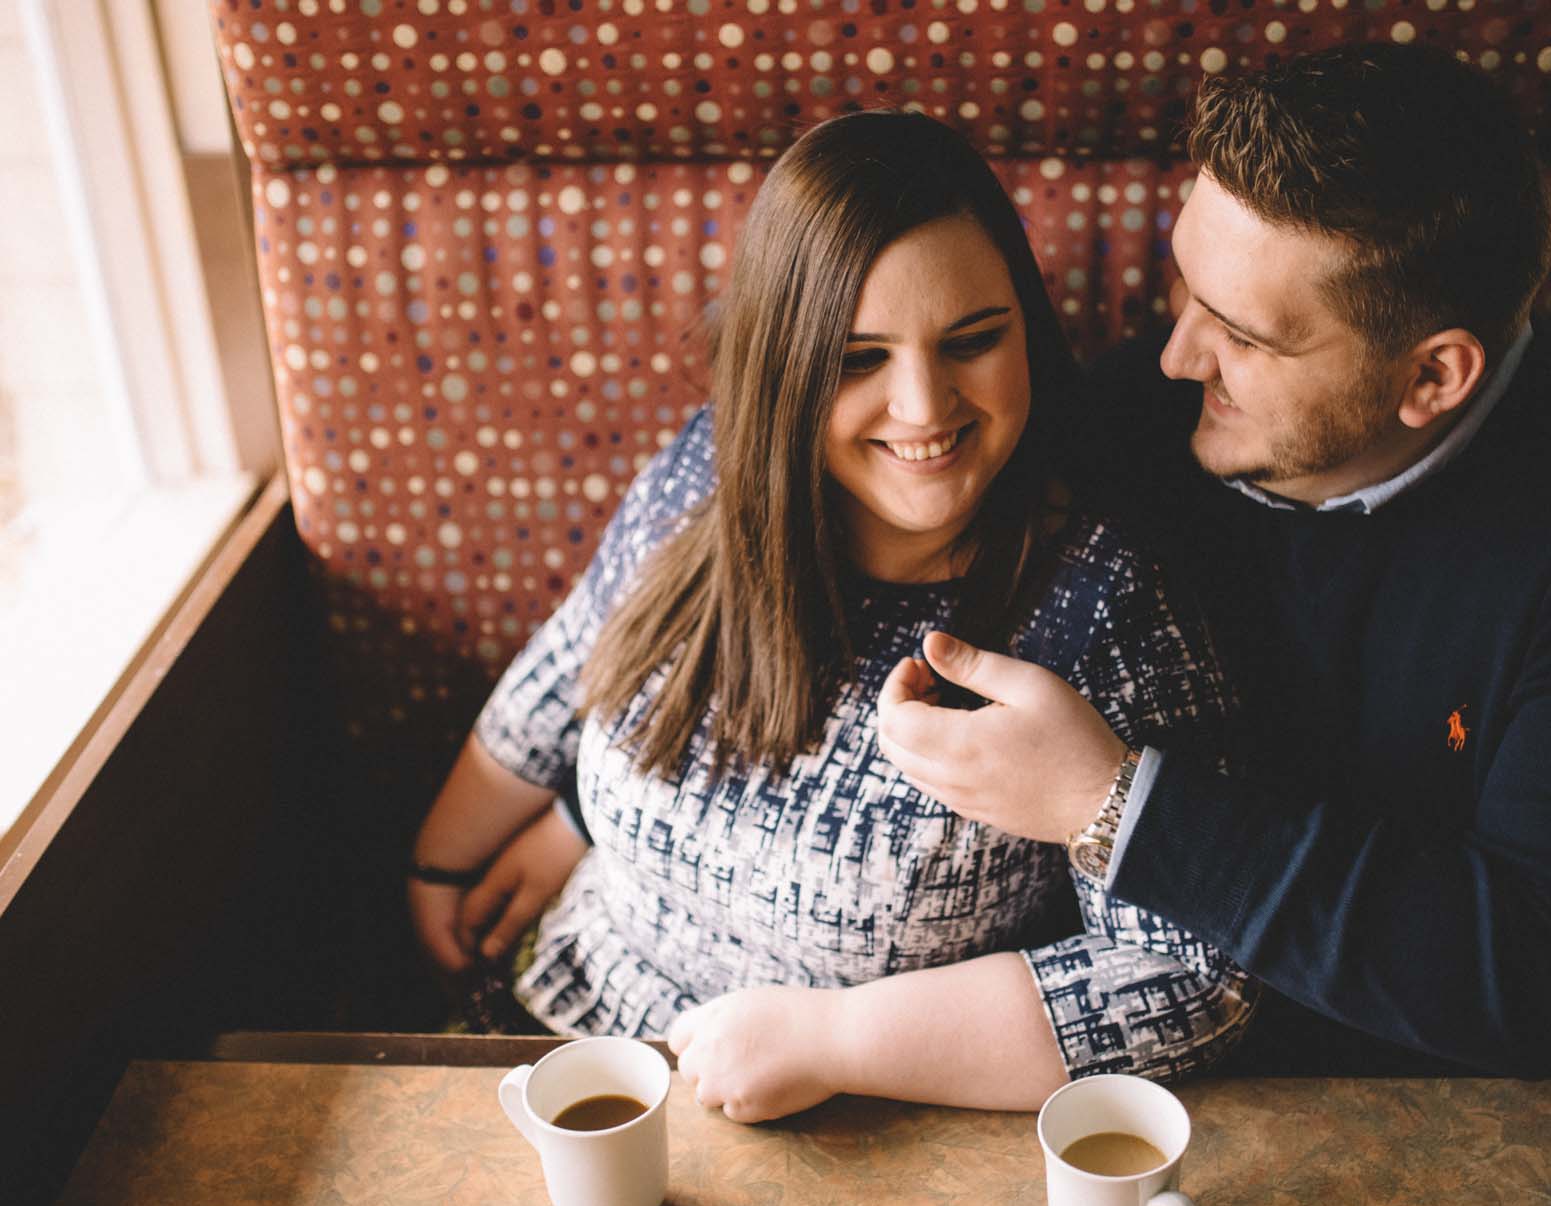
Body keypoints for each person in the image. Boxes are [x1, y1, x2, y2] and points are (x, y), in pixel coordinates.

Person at [875, 45, 1551, 1073]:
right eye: (1186, 288)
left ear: (1432, 376)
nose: (1175, 354)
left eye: (1239, 335)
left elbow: (1550, 979)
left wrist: (1116, 807)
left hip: (1499, 1123)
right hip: (1150, 1090)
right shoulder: (1134, 429)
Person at [406, 111, 1257, 1121]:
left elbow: (1197, 977)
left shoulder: (1104, 603)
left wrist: (837, 1038)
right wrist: (444, 859)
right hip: (560, 1038)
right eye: (858, 359)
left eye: (973, 341)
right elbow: (575, 652)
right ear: (783, 368)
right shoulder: (706, 471)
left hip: (855, 1133)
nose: (922, 405)